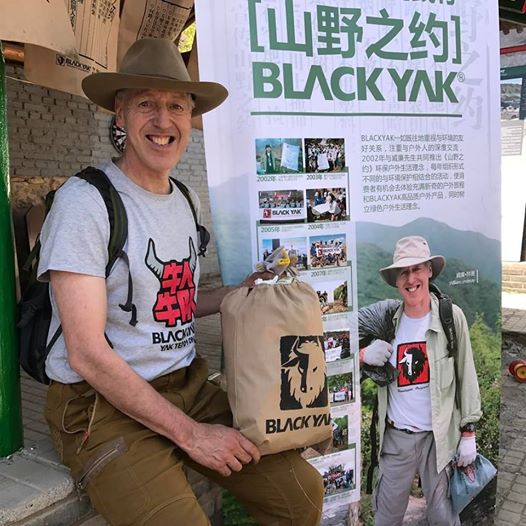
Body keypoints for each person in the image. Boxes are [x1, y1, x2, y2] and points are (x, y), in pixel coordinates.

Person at [38, 38, 323, 526]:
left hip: (185, 385)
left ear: (191, 118)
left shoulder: (185, 200)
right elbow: (85, 352)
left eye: (176, 106)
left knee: (301, 494)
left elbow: (175, 303)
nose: (163, 120)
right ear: (121, 116)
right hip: (101, 406)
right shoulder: (86, 202)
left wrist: (240, 293)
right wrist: (191, 435)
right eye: (146, 104)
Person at [359, 236, 481, 526]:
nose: (411, 278)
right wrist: (363, 354)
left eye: (417, 269)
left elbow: (467, 374)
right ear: (396, 280)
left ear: (429, 271)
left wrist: (469, 432)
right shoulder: (386, 321)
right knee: (386, 517)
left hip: (438, 439)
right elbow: (336, 352)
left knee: (443, 517)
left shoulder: (451, 318)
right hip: (396, 438)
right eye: (403, 272)